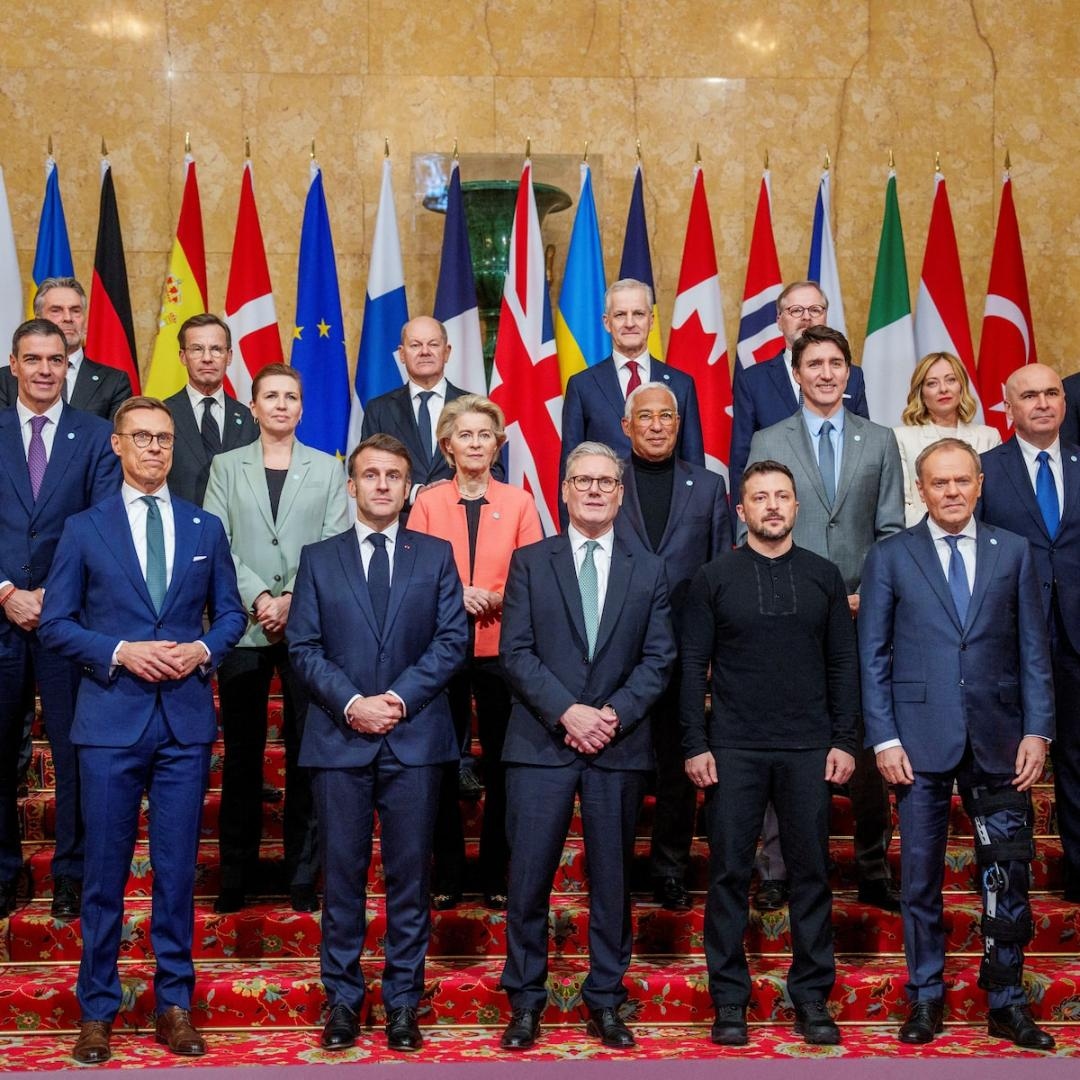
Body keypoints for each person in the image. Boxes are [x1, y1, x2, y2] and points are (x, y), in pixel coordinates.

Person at [38, 396, 246, 1064]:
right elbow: (56, 623)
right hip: (108, 723)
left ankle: (173, 1006)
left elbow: (232, 614)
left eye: (163, 438)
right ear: (118, 445)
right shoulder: (83, 529)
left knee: (176, 874)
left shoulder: (205, 527)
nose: (154, 448)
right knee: (103, 876)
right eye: (142, 437)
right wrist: (120, 651)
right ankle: (97, 1011)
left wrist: (204, 649)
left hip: (184, 724)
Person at [859, 438, 1055, 1050]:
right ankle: (926, 996)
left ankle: (1007, 1000)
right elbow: (873, 656)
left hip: (1001, 741)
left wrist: (1038, 729)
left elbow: (1033, 649)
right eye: (939, 482)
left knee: (1008, 874)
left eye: (961, 481)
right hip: (917, 743)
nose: (951, 492)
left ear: (979, 484)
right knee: (920, 879)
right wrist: (884, 737)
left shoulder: (1013, 551)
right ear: (920, 489)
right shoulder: (890, 555)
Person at [287, 434, 468, 1053]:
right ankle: (342, 1000)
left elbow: (451, 641)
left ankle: (402, 1003)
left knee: (409, 880)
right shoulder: (319, 558)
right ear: (352, 485)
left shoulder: (436, 555)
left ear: (408, 487)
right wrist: (352, 703)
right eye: (371, 474)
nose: (383, 484)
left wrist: (395, 700)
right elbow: (303, 646)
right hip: (339, 738)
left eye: (393, 475)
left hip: (414, 739)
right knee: (340, 879)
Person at [498, 442, 676, 1052]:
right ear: (564, 490)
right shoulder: (529, 562)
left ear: (620, 494)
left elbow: (659, 658)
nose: (595, 490)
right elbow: (515, 652)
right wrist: (566, 711)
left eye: (606, 482)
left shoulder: (648, 569)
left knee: (612, 882)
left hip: (617, 746)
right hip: (540, 743)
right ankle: (525, 1001)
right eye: (583, 481)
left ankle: (606, 999)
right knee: (528, 880)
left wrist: (612, 715)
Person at [682, 460, 858, 1047]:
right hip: (733, 747)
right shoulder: (713, 577)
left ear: (797, 506)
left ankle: (811, 997)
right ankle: (729, 999)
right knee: (729, 875)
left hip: (809, 747)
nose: (773, 506)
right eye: (760, 497)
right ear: (742, 510)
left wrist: (845, 739)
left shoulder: (825, 576)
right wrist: (695, 743)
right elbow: (692, 668)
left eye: (782, 496)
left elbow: (843, 664)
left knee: (811, 875)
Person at [746, 324, 903, 912]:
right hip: (788, 613)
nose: (826, 373)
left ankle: (872, 867)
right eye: (814, 364)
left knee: (864, 740)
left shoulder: (879, 440)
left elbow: (890, 530)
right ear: (797, 374)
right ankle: (777, 868)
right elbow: (756, 524)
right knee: (782, 737)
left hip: (864, 614)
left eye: (836, 363)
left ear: (849, 371)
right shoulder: (769, 438)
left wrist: (871, 594)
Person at [202, 363, 349, 914]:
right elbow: (216, 538)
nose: (282, 404)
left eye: (291, 396)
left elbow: (335, 542)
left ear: (302, 408)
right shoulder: (225, 465)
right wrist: (261, 597)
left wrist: (292, 601)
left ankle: (302, 874)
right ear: (254, 406)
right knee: (242, 757)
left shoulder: (328, 469)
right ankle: (235, 874)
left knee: (307, 754)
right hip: (244, 627)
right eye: (271, 396)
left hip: (308, 629)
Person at [0, 319, 121, 922]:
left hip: (67, 620)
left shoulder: (95, 435)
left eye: (55, 360)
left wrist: (51, 594)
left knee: (76, 752)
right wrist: (6, 591)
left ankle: (72, 872)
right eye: (34, 359)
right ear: (14, 365)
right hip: (0, 615)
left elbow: (103, 522)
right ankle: (4, 870)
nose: (45, 370)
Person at [408, 394, 542, 910]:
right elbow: (414, 571)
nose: (476, 443)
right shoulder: (427, 503)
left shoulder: (520, 502)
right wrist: (456, 594)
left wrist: (494, 596)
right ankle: (447, 871)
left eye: (485, 435)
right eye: (465, 435)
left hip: (502, 649)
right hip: (439, 649)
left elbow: (533, 572)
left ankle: (495, 873)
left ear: (498, 444)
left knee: (505, 765)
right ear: (447, 446)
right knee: (441, 761)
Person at [614, 382, 731, 910]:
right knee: (619, 767)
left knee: (679, 769)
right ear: (627, 426)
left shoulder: (707, 486)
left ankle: (668, 870)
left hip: (684, 652)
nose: (657, 425)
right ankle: (615, 869)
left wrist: (711, 652)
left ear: (679, 425)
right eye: (646, 416)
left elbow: (719, 575)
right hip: (618, 652)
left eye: (667, 416)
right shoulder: (605, 479)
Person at [979, 363, 1080, 902]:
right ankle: (1007, 880)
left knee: (1077, 758)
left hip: (1076, 638)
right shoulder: (984, 470)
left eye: (1051, 393)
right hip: (1010, 640)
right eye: (1029, 396)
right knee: (1007, 765)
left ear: (1064, 402)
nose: (1042, 403)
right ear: (1008, 406)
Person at [729, 280, 869, 504]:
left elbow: (864, 447)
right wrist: (744, 519)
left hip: (842, 507)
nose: (806, 317)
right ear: (779, 320)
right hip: (777, 508)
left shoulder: (851, 376)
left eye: (815, 310)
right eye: (796, 310)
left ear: (825, 316)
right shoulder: (752, 381)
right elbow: (741, 460)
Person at [560, 279, 705, 488]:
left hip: (665, 502)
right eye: (620, 315)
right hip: (604, 503)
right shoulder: (582, 386)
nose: (630, 323)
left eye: (638, 314)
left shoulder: (681, 384)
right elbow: (570, 466)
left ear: (651, 321)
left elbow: (693, 465)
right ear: (607, 322)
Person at [361, 316, 501, 509]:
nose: (425, 351)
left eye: (433, 344)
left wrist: (452, 493)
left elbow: (496, 469)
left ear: (446, 352)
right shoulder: (379, 409)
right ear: (402, 354)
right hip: (403, 519)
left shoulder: (476, 408)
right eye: (415, 345)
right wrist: (415, 493)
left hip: (463, 516)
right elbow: (368, 471)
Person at [893, 351, 1000, 525]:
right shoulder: (900, 438)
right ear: (921, 392)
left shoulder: (989, 437)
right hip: (922, 535)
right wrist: (941, 532)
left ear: (961, 386)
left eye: (951, 380)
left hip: (978, 535)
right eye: (932, 383)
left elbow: (995, 501)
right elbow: (900, 505)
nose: (943, 389)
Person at [0, 278, 132, 418]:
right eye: (56, 310)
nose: (68, 318)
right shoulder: (4, 379)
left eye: (75, 311)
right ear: (38, 319)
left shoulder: (114, 382)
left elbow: (116, 431)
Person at [163, 314, 258, 505]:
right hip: (181, 520)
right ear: (183, 356)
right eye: (197, 349)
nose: (207, 358)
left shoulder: (251, 418)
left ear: (229, 356)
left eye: (216, 349)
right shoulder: (163, 414)